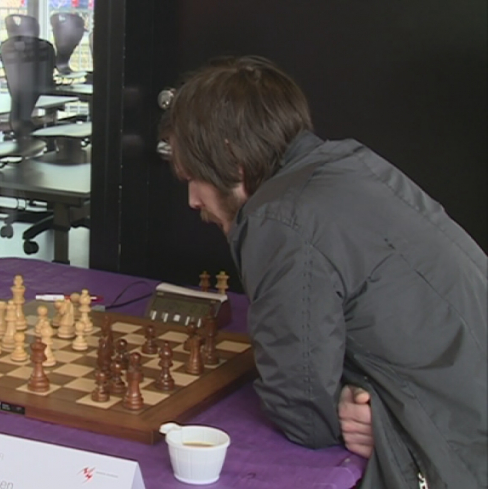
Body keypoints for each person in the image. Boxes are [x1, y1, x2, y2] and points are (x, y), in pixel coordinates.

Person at [160, 55, 486, 488]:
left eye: (193, 177)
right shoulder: (349, 163)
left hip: (460, 456)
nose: (192, 200)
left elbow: (302, 414)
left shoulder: (280, 220)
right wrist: (353, 399)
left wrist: (359, 413)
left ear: (232, 159)